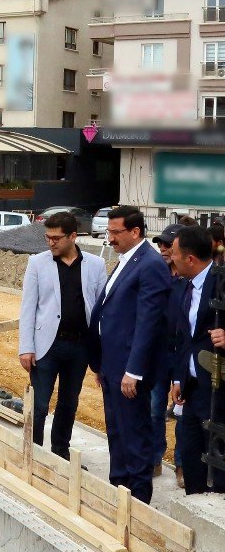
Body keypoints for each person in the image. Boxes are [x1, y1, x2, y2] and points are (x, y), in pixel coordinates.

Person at [89, 206, 171, 503]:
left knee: (134, 437)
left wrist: (133, 371)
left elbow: (148, 322)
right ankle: (119, 491)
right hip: (112, 366)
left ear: (135, 232)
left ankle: (137, 502)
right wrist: (100, 363)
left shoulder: (150, 264)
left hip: (129, 371)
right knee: (116, 434)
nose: (109, 238)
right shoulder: (126, 260)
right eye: (108, 232)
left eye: (115, 232)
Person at [18, 212, 107, 459]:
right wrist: (26, 347)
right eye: (48, 237)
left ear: (73, 236)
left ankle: (60, 452)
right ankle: (33, 453)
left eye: (56, 238)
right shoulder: (37, 263)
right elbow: (28, 307)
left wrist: (100, 351)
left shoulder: (96, 265)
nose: (51, 243)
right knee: (40, 404)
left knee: (69, 403)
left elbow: (101, 310)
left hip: (80, 347)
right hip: (47, 346)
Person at [170, 226, 225, 494]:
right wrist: (178, 378)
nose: (171, 258)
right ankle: (194, 500)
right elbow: (184, 338)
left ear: (190, 258)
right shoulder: (185, 286)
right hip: (191, 388)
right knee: (190, 451)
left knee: (218, 454)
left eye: (175, 254)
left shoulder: (221, 283)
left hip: (217, 389)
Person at [150, 224, 185, 482]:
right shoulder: (156, 274)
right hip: (158, 354)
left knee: (183, 411)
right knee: (154, 409)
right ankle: (154, 459)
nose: (162, 248)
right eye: (160, 244)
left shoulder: (190, 279)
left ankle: (182, 464)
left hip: (183, 355)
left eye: (167, 245)